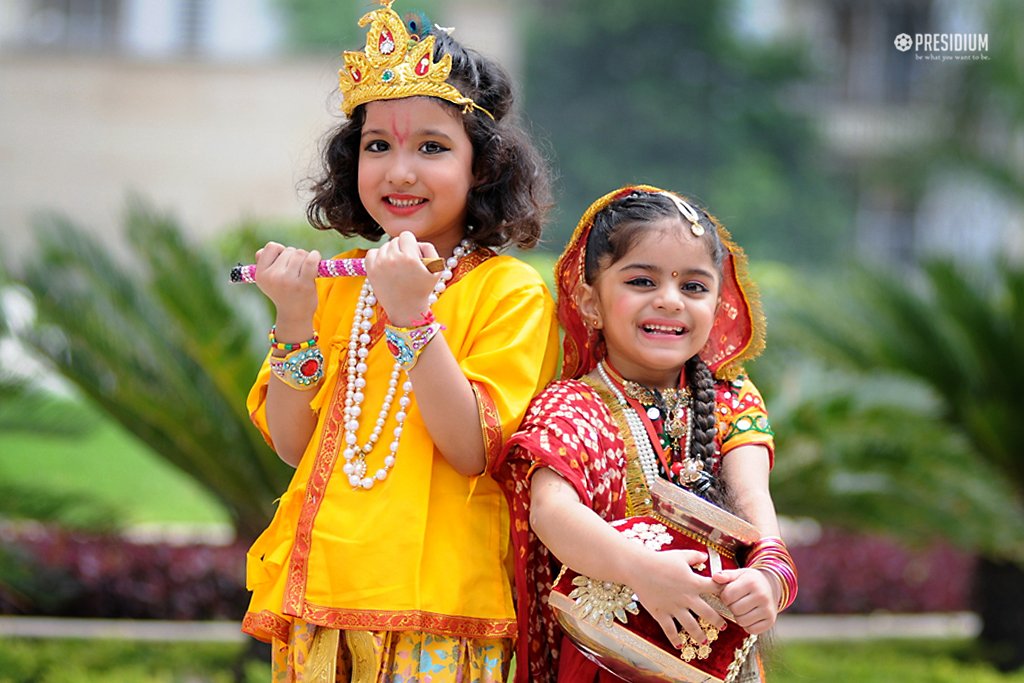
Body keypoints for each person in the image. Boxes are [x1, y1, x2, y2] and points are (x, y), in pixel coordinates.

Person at [240, 2, 559, 680]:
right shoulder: (340, 287)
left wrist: (414, 318)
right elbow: (294, 444)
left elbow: (473, 449)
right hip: (323, 596)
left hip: (441, 610)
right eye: (377, 145)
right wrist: (295, 315)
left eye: (432, 147)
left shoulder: (508, 292)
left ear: (483, 167)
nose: (400, 171)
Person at [494, 185, 798, 683]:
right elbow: (552, 513)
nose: (670, 301)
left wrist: (768, 579)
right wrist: (640, 570)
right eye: (641, 280)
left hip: (716, 659)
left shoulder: (730, 399)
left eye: (694, 287)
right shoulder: (570, 407)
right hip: (608, 661)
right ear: (589, 301)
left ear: (719, 306)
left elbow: (753, 505)